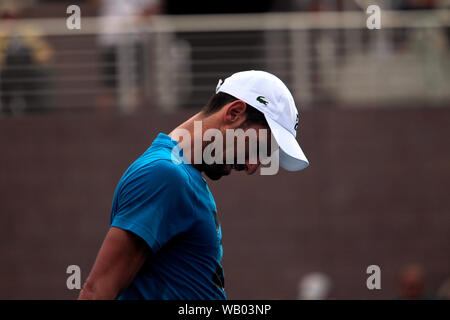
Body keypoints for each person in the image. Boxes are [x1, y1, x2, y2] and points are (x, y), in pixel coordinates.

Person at [78, 70, 309, 300]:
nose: (253, 166)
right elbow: (97, 290)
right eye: (259, 149)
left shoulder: (185, 178)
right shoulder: (164, 176)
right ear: (234, 113)